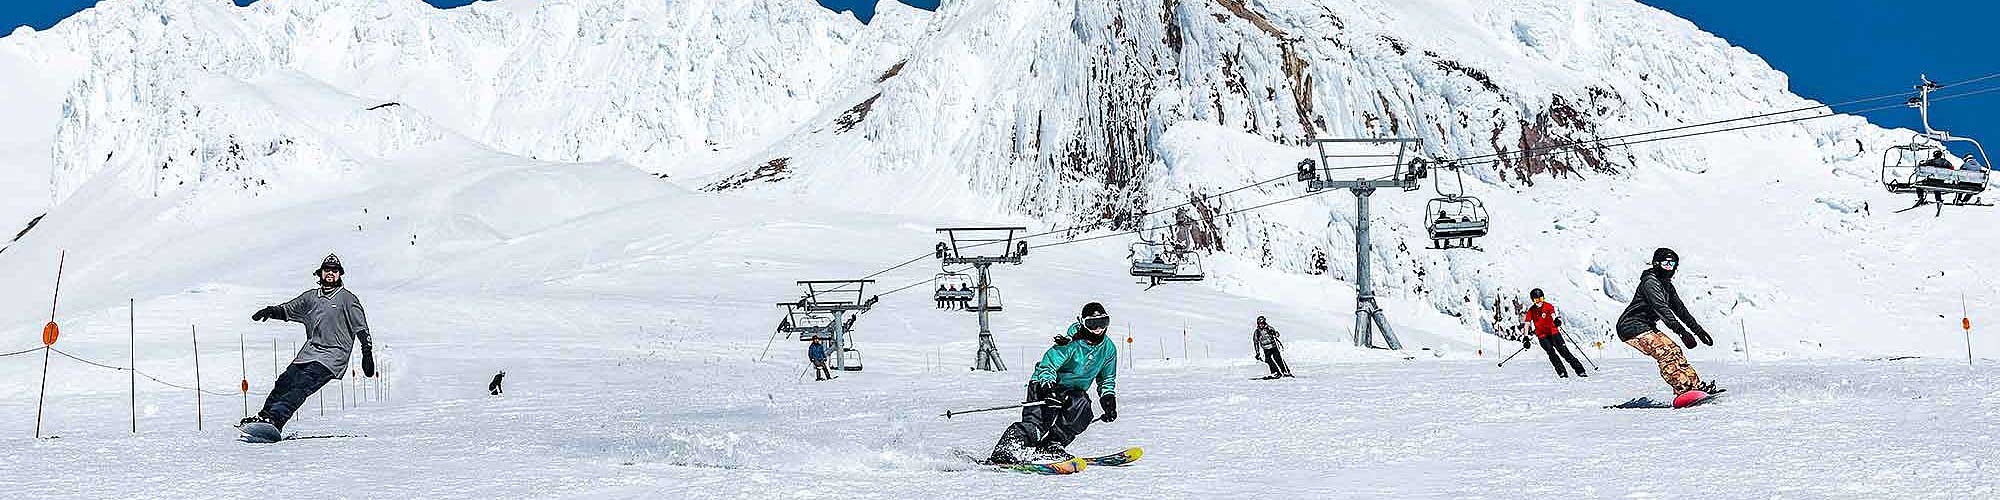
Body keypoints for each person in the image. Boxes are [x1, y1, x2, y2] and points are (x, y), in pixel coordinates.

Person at [241, 254, 375, 432]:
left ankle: (275, 420)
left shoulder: (347, 299)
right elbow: (288, 310)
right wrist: (270, 311)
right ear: (320, 273)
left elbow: (362, 329)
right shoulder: (311, 297)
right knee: (284, 382)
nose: (330, 273)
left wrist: (367, 353)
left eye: (335, 271)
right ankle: (264, 417)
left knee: (302, 384)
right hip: (309, 352)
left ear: (340, 274)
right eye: (327, 270)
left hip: (333, 356)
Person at [988, 302, 1119, 464]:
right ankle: (1007, 449)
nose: (1098, 329)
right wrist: (1048, 388)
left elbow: (1107, 378)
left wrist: (1108, 398)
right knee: (1038, 425)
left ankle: (1051, 445)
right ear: (1083, 323)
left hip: (1073, 391)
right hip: (1045, 385)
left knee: (1082, 409)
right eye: (1092, 324)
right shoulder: (1069, 343)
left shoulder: (1108, 349)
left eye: (1103, 322)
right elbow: (1048, 366)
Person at [1615, 248, 1720, 400]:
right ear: (1657, 264)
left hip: (1646, 326)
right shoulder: (1650, 282)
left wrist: (1699, 331)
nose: (1669, 268)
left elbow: (1680, 310)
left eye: (1672, 264)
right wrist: (1682, 332)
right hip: (1631, 326)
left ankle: (1694, 386)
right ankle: (1683, 390)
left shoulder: (1667, 285)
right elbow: (1662, 309)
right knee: (1666, 353)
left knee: (1675, 350)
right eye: (1666, 264)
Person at [1523, 288, 1585, 378]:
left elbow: (1553, 314)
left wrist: (1556, 320)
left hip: (1554, 333)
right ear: (1533, 300)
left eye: (1541, 299)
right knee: (1551, 353)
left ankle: (1580, 371)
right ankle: (1562, 373)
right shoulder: (1531, 310)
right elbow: (1527, 323)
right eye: (1537, 300)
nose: (1539, 302)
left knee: (1564, 352)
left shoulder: (1548, 306)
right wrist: (1525, 337)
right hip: (1542, 335)